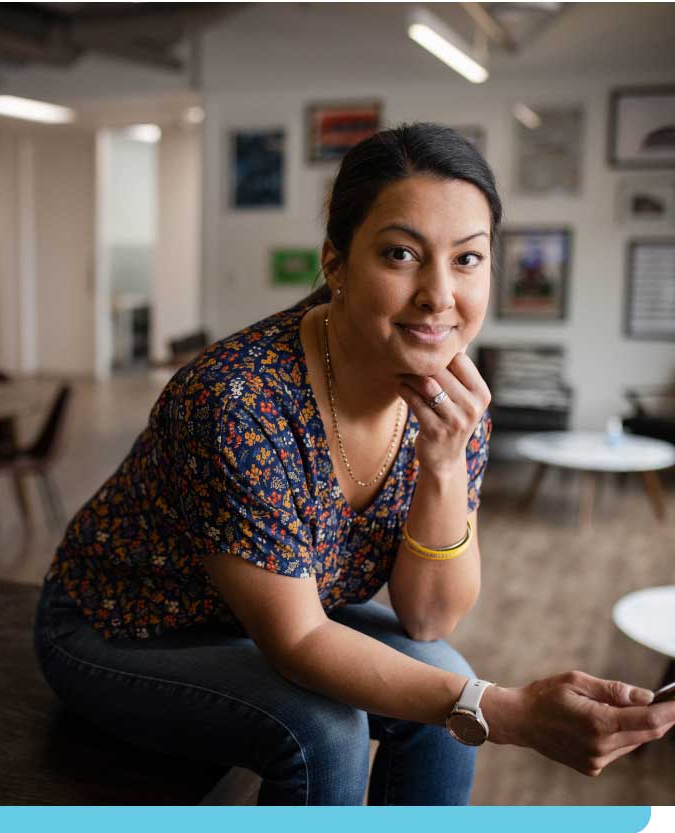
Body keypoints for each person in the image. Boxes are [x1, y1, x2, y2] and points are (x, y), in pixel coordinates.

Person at [33, 123, 675, 805]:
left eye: (467, 259)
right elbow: (300, 641)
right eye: (401, 254)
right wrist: (510, 712)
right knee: (327, 728)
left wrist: (446, 464)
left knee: (445, 682)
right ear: (335, 264)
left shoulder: (455, 395)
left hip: (277, 605)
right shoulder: (237, 403)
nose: (439, 294)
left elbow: (427, 619)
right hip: (123, 625)